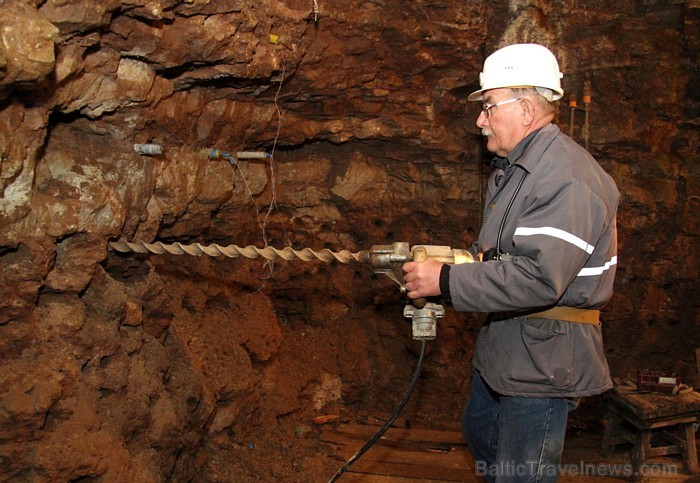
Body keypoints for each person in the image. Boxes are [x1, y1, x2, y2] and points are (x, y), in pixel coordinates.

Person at [402, 43, 619, 482]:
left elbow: (540, 277)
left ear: (525, 108)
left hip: (545, 356)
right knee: (481, 432)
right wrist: (459, 262)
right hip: (509, 344)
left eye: (487, 106)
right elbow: (503, 253)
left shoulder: (567, 178)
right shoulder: (518, 169)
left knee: (522, 473)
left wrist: (445, 280)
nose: (480, 120)